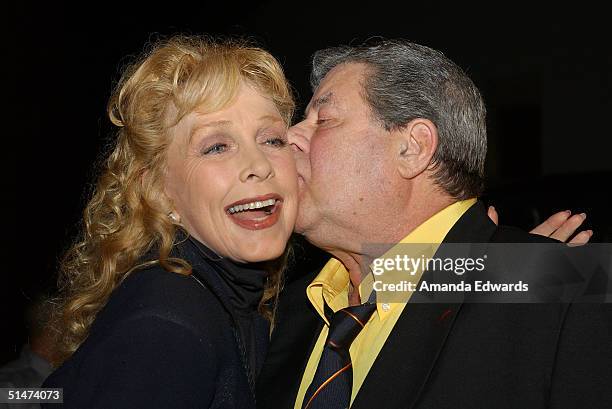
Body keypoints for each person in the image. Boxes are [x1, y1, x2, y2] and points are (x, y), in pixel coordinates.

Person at [256, 39, 611, 409]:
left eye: (322, 120)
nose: (289, 138)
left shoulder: (564, 291)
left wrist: (522, 276)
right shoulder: (282, 313)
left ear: (413, 148)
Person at [42, 35, 298, 409]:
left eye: (272, 140)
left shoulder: (227, 306)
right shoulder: (169, 323)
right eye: (216, 147)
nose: (259, 165)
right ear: (160, 192)